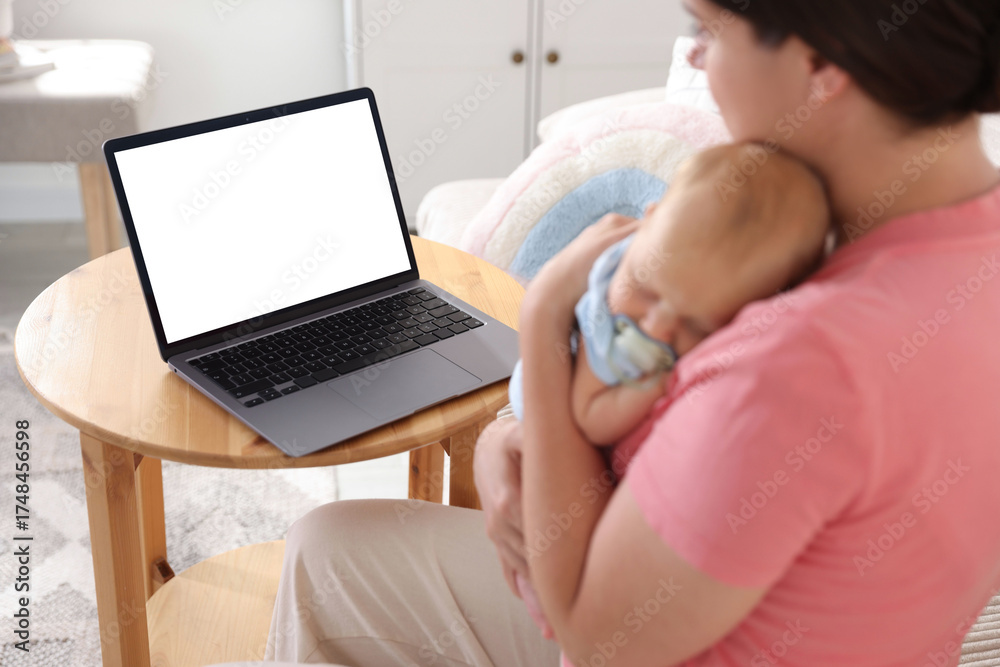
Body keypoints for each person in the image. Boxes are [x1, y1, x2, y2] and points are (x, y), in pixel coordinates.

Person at [213, 0, 1000, 664]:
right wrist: (511, 435)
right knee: (340, 544)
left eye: (708, 30)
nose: (695, 57)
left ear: (822, 64)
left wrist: (544, 318)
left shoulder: (799, 360)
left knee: (327, 556)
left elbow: (596, 638)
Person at [504, 143, 831, 637]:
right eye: (646, 289)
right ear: (648, 219)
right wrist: (650, 385)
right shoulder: (607, 313)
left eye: (696, 325)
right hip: (553, 411)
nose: (656, 328)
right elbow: (591, 417)